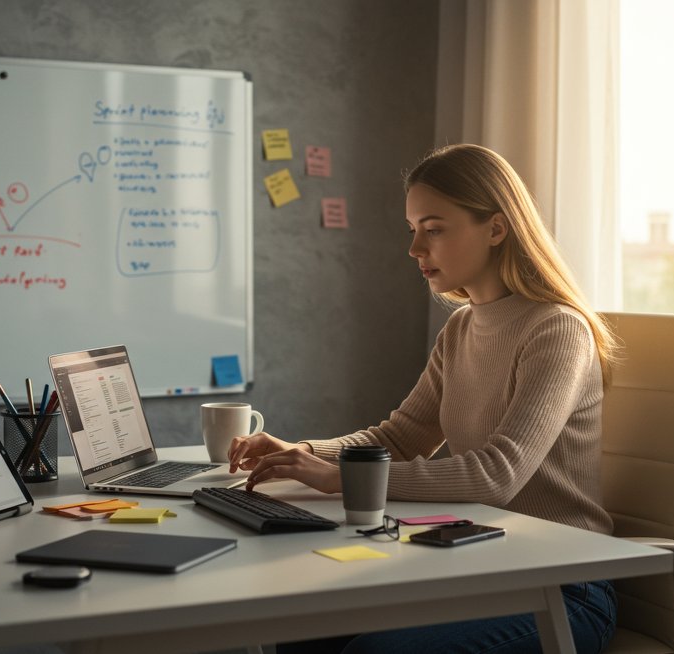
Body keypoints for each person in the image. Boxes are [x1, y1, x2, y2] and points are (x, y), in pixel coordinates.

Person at [227, 143, 619, 654]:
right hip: (478, 565)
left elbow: (497, 475)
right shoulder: (461, 329)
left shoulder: (557, 330)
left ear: (496, 229)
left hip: (563, 586)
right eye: (412, 229)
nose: (415, 248)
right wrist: (303, 453)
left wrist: (341, 478)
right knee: (299, 630)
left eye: (433, 229)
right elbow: (400, 438)